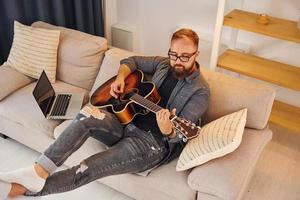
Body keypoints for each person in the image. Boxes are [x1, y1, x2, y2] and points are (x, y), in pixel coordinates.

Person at [0, 28, 209, 198]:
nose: (177, 61)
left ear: (196, 54)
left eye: (184, 56)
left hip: (150, 143)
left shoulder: (200, 91)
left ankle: (18, 190)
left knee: (88, 167)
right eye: (173, 54)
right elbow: (131, 61)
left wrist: (169, 131)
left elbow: (180, 138)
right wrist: (121, 78)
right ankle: (38, 171)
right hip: (126, 122)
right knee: (85, 115)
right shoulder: (163, 64)